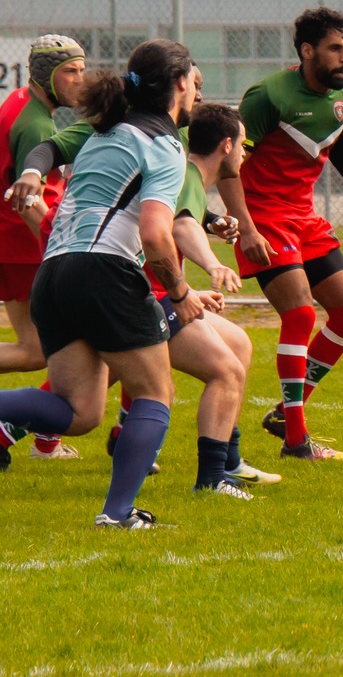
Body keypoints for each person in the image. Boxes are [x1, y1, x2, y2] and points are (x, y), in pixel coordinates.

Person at [0, 41, 212, 528]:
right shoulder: (163, 145)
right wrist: (181, 294)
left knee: (79, 412)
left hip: (53, 271)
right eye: (194, 83)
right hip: (103, 271)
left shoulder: (103, 132)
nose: (196, 94)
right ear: (178, 85)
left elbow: (60, 157)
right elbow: (156, 235)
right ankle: (118, 514)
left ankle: (118, 511)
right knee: (156, 392)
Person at [28, 103, 281, 491]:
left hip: (133, 284)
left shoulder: (173, 159)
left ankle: (225, 462)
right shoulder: (179, 164)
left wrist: (207, 231)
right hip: (138, 292)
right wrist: (210, 267)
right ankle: (211, 479)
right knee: (209, 375)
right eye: (245, 144)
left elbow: (179, 222)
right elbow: (178, 228)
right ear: (227, 145)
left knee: (237, 345)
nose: (247, 153)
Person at [216, 6, 343, 463]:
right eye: (334, 48)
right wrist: (244, 228)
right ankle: (296, 442)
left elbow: (341, 150)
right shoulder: (267, 96)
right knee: (301, 315)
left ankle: (288, 413)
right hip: (265, 217)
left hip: (304, 218)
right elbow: (228, 167)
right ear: (307, 51)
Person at [0, 34, 90, 465]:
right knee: (49, 349)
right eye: (70, 72)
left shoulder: (25, 102)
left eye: (81, 69)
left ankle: (45, 442)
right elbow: (25, 197)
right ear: (43, 76)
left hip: (18, 246)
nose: (80, 80)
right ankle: (43, 441)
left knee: (57, 348)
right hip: (24, 248)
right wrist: (62, 243)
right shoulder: (34, 122)